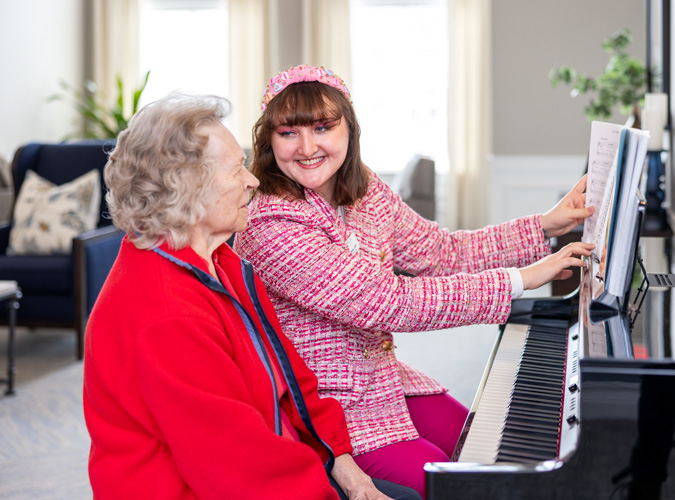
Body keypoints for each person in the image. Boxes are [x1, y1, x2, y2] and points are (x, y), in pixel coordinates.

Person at [233, 65, 595, 498]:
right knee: (467, 488)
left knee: (493, 452)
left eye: (323, 127)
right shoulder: (270, 223)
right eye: (288, 132)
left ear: (350, 128)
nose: (307, 147)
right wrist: (521, 279)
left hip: (389, 381)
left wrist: (545, 225)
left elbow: (444, 252)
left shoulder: (365, 191)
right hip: (333, 415)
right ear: (270, 141)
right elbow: (389, 303)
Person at [82, 92, 420, 500]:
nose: (253, 180)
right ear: (188, 189)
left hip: (266, 466)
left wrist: (346, 467)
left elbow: (292, 379)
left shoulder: (223, 262)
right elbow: (237, 470)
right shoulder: (166, 314)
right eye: (236, 169)